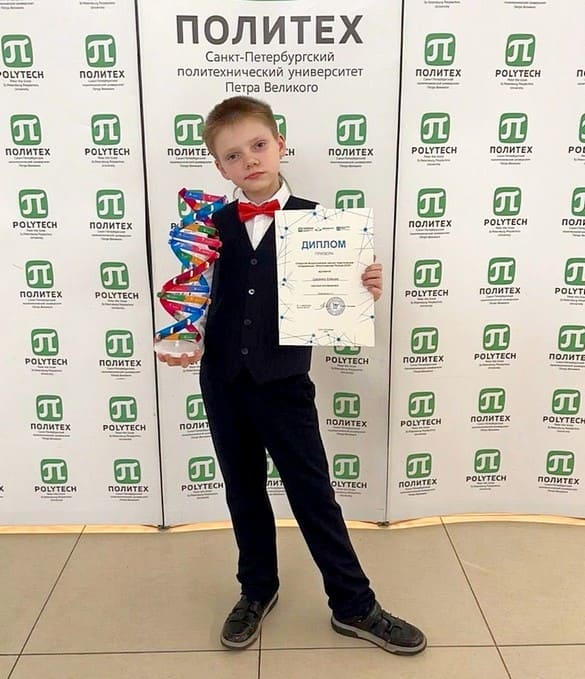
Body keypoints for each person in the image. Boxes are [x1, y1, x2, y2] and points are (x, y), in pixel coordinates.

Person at [158, 96, 426, 656]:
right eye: (234, 155)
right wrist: (183, 336)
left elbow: (337, 300)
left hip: (283, 383)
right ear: (220, 167)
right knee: (243, 490)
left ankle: (353, 604)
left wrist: (361, 287)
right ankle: (257, 589)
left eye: (258, 145)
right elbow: (195, 296)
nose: (250, 160)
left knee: (313, 494)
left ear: (280, 144)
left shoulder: (321, 223)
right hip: (223, 381)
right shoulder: (208, 225)